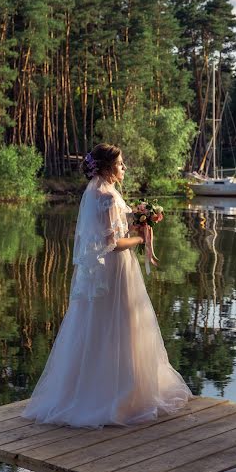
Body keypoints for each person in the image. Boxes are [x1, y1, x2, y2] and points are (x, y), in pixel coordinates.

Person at [22, 143, 193, 428]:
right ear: (107, 167)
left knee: (98, 326)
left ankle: (92, 389)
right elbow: (112, 244)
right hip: (115, 271)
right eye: (121, 164)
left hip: (100, 274)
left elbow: (106, 232)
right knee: (122, 323)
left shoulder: (97, 194)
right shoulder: (108, 197)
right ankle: (120, 394)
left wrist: (138, 220)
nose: (124, 168)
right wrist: (140, 239)